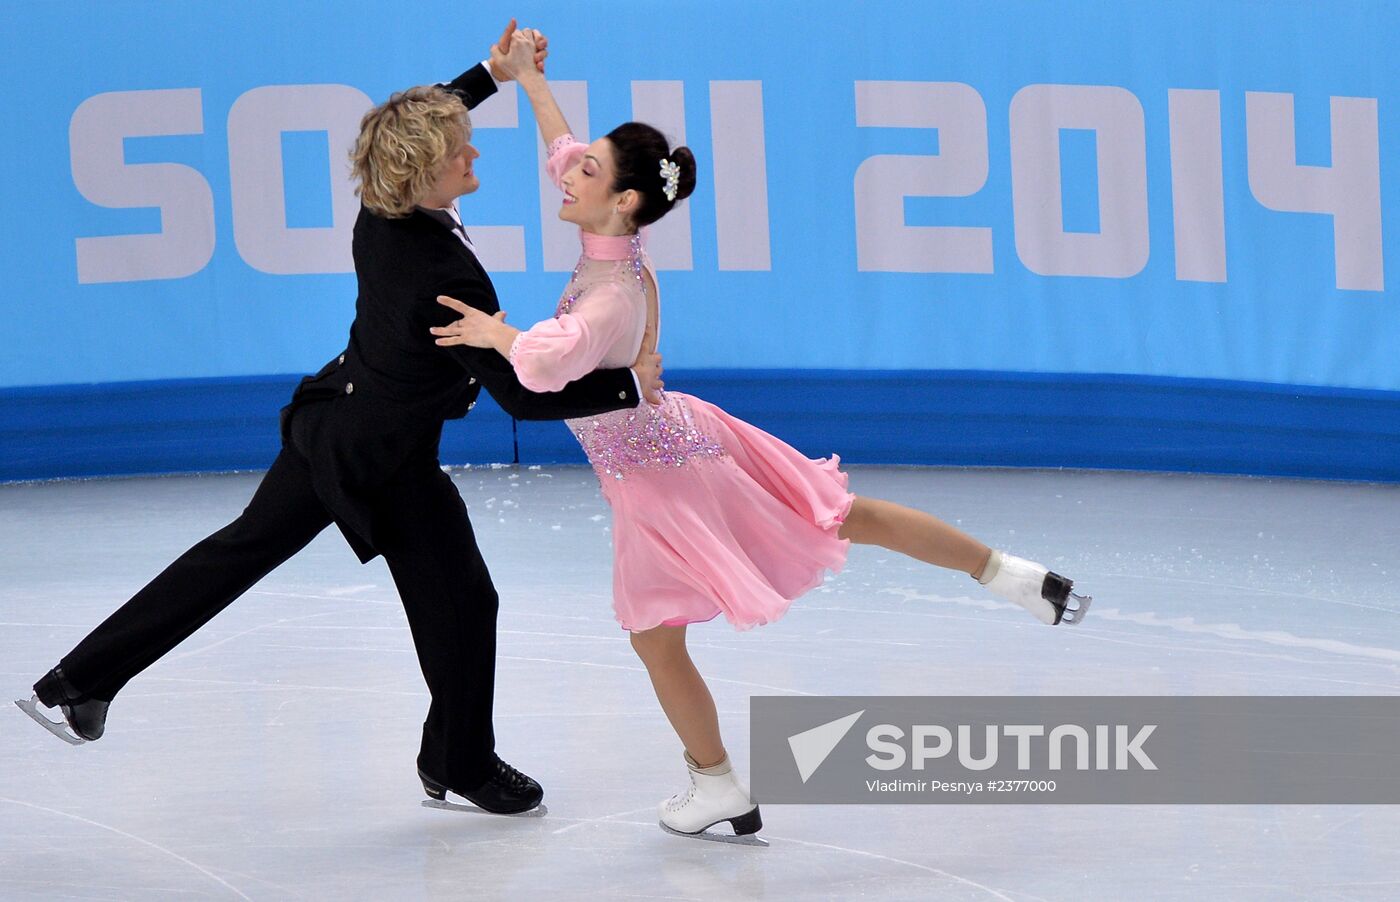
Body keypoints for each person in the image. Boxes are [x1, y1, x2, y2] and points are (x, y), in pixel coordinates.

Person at [434, 31, 1091, 838]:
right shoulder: (617, 246)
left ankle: (716, 784)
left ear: (626, 201)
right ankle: (1012, 574)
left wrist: (493, 334)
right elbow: (560, 145)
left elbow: (541, 367)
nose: (567, 172)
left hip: (654, 474)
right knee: (846, 514)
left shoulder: (608, 290)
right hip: (689, 436)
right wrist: (531, 80)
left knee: (654, 638)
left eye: (588, 171)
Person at [16, 22, 662, 817]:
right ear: (424, 171)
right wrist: (630, 386)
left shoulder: (382, 207)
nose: (475, 154)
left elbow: (426, 118)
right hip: (376, 456)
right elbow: (523, 394)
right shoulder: (441, 271)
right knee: (456, 600)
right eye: (462, 152)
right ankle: (459, 760)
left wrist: (491, 76)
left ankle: (75, 684)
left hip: (342, 417)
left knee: (258, 557)